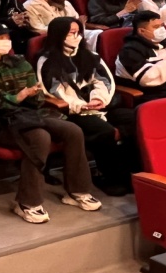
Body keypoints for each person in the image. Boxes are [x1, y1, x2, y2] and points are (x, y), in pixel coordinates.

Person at [0, 21, 101, 223]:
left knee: (72, 130)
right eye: (0, 38)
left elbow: (37, 99)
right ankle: (27, 203)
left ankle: (78, 191)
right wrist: (15, 98)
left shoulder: (19, 63)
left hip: (28, 114)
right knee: (39, 137)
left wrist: (33, 95)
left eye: (7, 38)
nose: (5, 42)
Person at [36, 16, 138, 196]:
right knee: (104, 130)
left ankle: (134, 173)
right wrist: (82, 105)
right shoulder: (46, 60)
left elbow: (104, 80)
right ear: (59, 35)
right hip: (71, 111)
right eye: (71, 33)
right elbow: (52, 90)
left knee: (136, 118)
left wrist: (99, 99)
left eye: (78, 32)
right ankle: (110, 177)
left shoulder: (90, 56)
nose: (76, 37)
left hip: (99, 105)